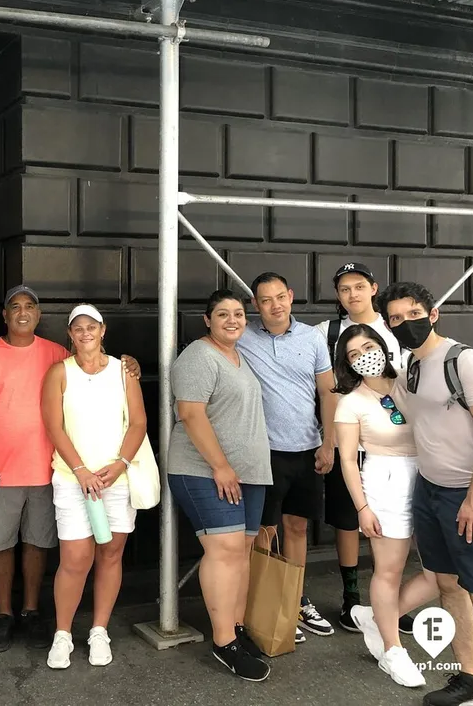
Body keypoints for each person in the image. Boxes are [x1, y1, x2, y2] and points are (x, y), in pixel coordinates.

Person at [0, 285, 142, 653]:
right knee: (0, 545)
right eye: (16, 306)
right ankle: (3, 614)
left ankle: (30, 611)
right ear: (5, 314)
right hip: (3, 469)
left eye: (30, 306)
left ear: (40, 314)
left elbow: (99, 378)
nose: (23, 312)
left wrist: (131, 366)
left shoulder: (57, 355)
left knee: (37, 544)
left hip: (45, 469)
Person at [381, 281, 473, 706]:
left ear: (432, 314)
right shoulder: (411, 367)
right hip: (430, 492)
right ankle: (471, 682)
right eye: (395, 318)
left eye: (412, 314)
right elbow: (396, 404)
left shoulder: (464, 361)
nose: (405, 323)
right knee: (449, 586)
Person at [168, 290, 272, 682]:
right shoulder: (199, 355)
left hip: (248, 472)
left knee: (242, 551)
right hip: (204, 470)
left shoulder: (240, 357)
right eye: (223, 314)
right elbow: (191, 414)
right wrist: (221, 466)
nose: (233, 319)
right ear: (207, 320)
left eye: (239, 313)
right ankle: (223, 641)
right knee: (224, 549)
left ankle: (237, 627)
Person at [41, 304, 146, 670]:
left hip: (114, 478)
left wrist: (118, 466)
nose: (85, 333)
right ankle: (63, 634)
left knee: (111, 553)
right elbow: (55, 427)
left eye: (91, 326)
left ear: (103, 330)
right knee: (75, 559)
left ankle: (99, 630)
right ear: (70, 334)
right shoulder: (59, 373)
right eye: (77, 328)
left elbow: (137, 424)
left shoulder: (123, 371)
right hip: (73, 480)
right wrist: (82, 470)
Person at [237, 272, 336, 644]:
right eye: (266, 300)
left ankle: (295, 600)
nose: (275, 305)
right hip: (264, 452)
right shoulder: (242, 335)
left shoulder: (313, 337)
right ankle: (266, 604)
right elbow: (206, 349)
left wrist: (328, 443)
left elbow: (328, 393)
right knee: (265, 531)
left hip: (307, 449)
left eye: (281, 296)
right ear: (255, 305)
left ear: (291, 296)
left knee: (297, 529)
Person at [331, 324, 430, 688]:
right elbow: (346, 461)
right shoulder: (350, 403)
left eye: (369, 347)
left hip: (430, 476)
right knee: (389, 571)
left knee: (444, 571)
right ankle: (393, 650)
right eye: (355, 354)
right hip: (386, 484)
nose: (365, 357)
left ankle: (378, 616)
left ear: (383, 347)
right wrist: (362, 508)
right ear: (347, 363)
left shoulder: (411, 378)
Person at [315, 263, 402, 632]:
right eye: (345, 289)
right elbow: (326, 389)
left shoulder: (395, 327)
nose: (353, 294)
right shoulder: (328, 331)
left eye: (359, 286)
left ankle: (390, 600)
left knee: (394, 519)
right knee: (348, 519)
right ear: (338, 296)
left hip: (393, 441)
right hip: (347, 435)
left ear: (373, 288)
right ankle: (352, 599)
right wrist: (329, 443)